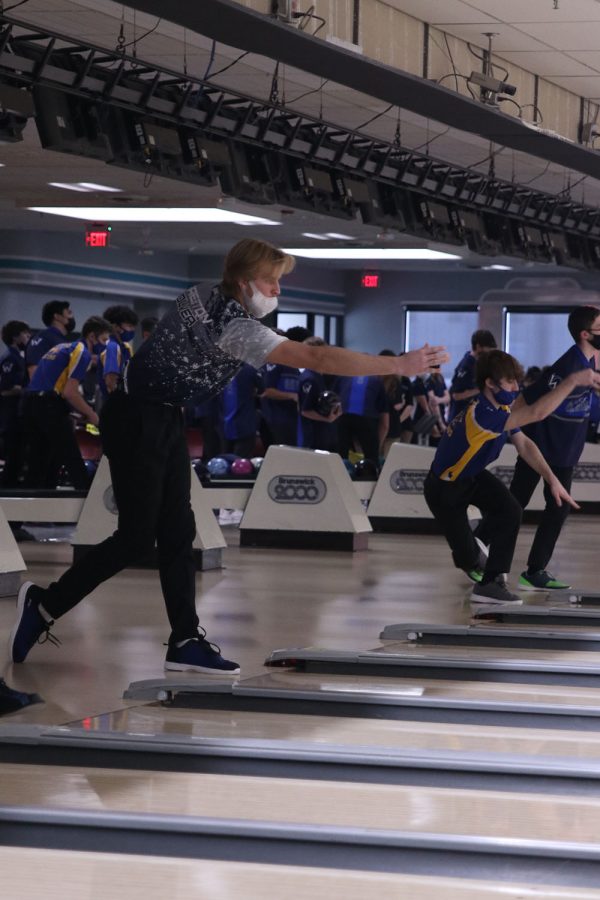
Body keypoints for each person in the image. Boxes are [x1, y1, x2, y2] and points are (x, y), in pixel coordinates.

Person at [9, 238, 448, 675]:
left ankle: (184, 640)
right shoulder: (234, 327)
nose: (277, 291)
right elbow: (315, 357)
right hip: (136, 419)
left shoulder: (202, 291)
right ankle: (44, 605)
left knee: (181, 531)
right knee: (137, 538)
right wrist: (395, 365)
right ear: (244, 281)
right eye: (271, 281)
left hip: (161, 416)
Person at [424, 349, 600, 605]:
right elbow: (537, 413)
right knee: (469, 561)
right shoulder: (483, 414)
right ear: (490, 383)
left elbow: (525, 444)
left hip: (472, 477)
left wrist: (552, 480)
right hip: (444, 490)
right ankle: (474, 556)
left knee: (510, 509)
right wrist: (572, 381)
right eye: (510, 382)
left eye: (518, 381)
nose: (516, 387)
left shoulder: (501, 407)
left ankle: (491, 584)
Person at [480, 306, 600, 591]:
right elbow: (527, 399)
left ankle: (533, 570)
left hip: (566, 450)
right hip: (543, 448)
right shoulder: (568, 366)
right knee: (517, 503)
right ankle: (483, 548)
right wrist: (516, 430)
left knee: (554, 510)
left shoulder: (591, 362)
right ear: (586, 334)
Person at [22, 316, 110, 490]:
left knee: (41, 463)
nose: (105, 345)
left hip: (32, 404)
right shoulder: (82, 352)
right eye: (104, 340)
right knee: (72, 460)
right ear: (92, 336)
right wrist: (93, 416)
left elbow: (53, 384)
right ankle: (87, 509)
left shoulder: (61, 347)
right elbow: (70, 392)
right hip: (49, 406)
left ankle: (29, 514)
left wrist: (71, 410)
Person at [297, 336, 341, 452]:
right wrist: (328, 419)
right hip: (313, 437)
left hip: (322, 434)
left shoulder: (318, 376)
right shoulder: (309, 379)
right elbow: (305, 410)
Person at [0, 320, 31, 486]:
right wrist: (26, 390)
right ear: (15, 337)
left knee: (19, 454)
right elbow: (5, 388)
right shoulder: (10, 358)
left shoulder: (20, 357)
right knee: (13, 455)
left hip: (18, 413)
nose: (28, 337)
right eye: (25, 334)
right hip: (10, 413)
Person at [337, 373, 389, 468]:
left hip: (342, 418)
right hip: (367, 420)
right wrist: (377, 447)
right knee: (371, 460)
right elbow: (385, 423)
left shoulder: (343, 377)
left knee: (340, 459)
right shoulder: (376, 381)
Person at [447, 329, 497, 422]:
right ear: (478, 347)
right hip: (460, 419)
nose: (489, 353)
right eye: (488, 349)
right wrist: (482, 388)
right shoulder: (467, 365)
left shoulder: (473, 361)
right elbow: (456, 395)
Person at [26, 300, 76, 379]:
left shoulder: (63, 341)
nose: (72, 317)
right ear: (57, 316)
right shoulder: (43, 337)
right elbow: (33, 370)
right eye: (69, 313)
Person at [98, 305, 138, 398]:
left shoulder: (125, 347)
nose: (133, 330)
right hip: (112, 402)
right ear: (115, 326)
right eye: (129, 326)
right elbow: (110, 380)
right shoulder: (112, 346)